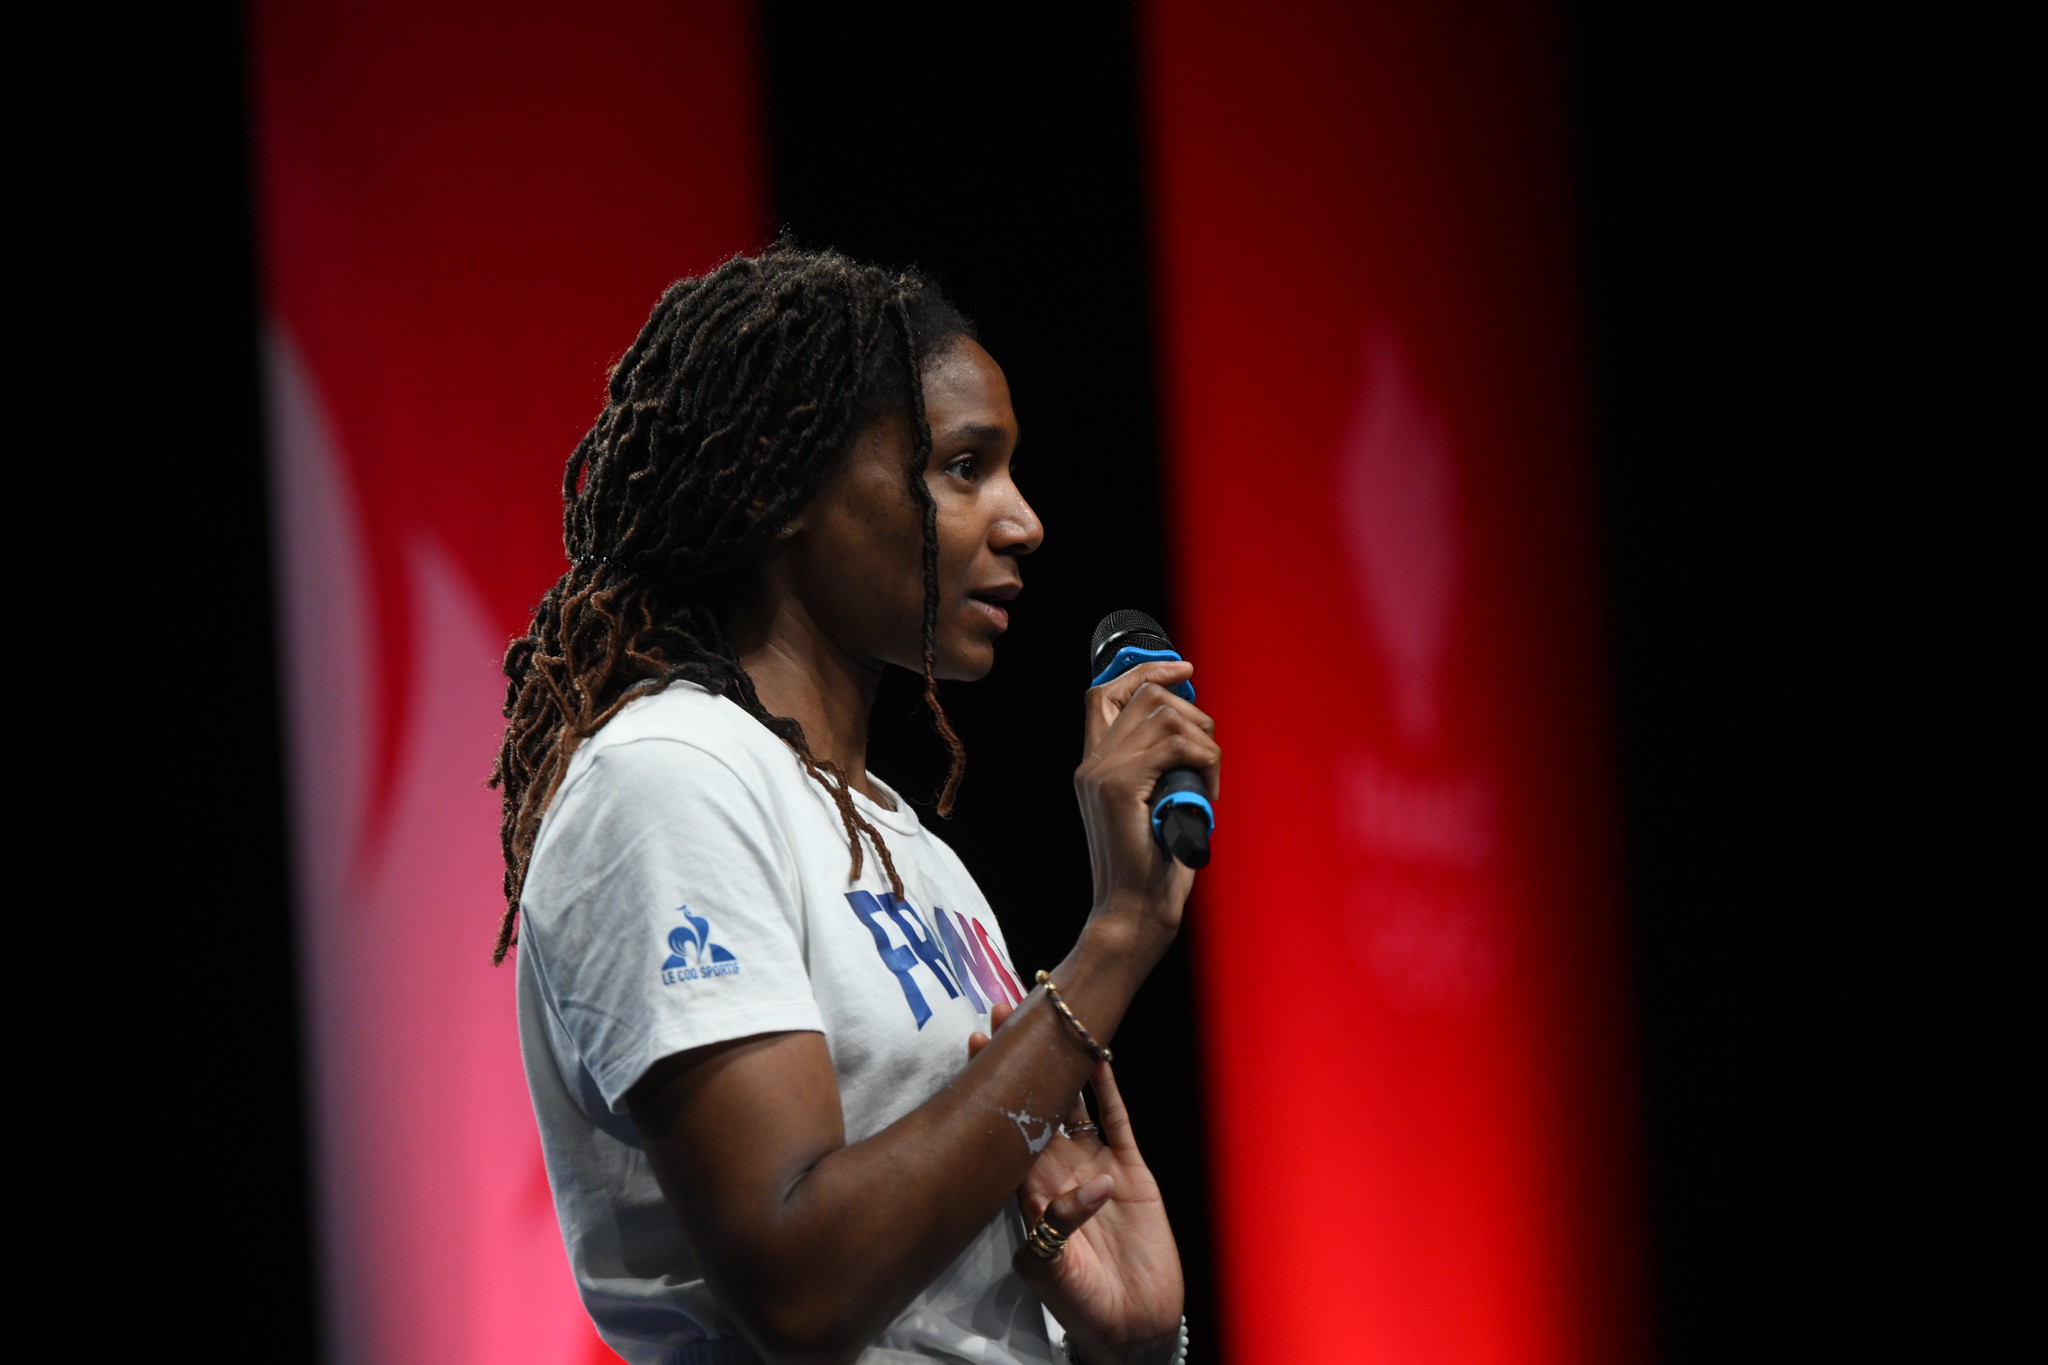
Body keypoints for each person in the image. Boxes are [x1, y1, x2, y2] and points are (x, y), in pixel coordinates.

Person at [492, 244, 1219, 1365]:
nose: (1022, 521)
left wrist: (1120, 1339)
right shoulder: (670, 779)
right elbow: (802, 1286)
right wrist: (1114, 944)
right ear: (779, 485)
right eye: (964, 467)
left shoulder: (911, 853)